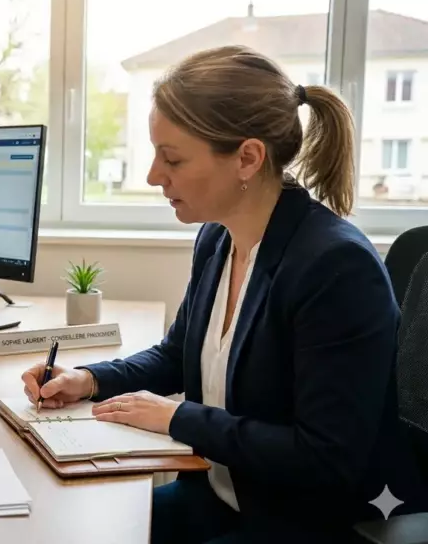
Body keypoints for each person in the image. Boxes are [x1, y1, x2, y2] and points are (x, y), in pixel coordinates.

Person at [21, 45, 422, 542]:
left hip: (308, 522)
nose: (152, 176)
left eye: (172, 158)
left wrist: (179, 418)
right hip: (223, 497)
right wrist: (87, 379)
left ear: (247, 159)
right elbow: (176, 355)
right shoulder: (218, 237)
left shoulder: (335, 267)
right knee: (69, 526)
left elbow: (326, 456)